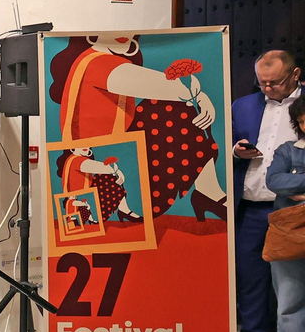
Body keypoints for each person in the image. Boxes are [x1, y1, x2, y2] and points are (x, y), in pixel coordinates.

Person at [48, 34, 225, 220]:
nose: (123, 36)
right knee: (175, 107)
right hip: (111, 157)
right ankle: (207, 193)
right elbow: (177, 90)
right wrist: (199, 97)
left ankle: (207, 192)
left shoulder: (104, 59)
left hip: (119, 151)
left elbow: (176, 92)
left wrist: (196, 97)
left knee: (170, 107)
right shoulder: (97, 63)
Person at [233, 50, 301, 332]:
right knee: (250, 275)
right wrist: (237, 151)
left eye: (274, 83)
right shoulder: (243, 105)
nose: (267, 90)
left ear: (295, 75)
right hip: (251, 203)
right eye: (262, 83)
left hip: (291, 207)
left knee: (291, 282)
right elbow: (222, 141)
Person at [264, 94, 305, 332]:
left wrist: (296, 185)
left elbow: (286, 183)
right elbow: (274, 180)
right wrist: (290, 185)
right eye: (303, 119)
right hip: (289, 236)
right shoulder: (286, 150)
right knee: (289, 303)